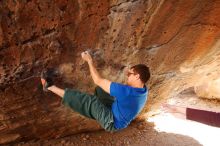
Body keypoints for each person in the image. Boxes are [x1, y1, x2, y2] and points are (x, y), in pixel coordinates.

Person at [40, 51, 150, 132]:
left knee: (90, 101)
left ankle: (49, 86)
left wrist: (89, 61)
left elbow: (97, 80)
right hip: (114, 110)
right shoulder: (143, 90)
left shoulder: (127, 92)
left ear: (137, 76)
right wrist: (128, 71)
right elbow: (119, 88)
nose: (127, 76)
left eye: (129, 74)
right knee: (102, 89)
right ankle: (94, 110)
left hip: (111, 122)